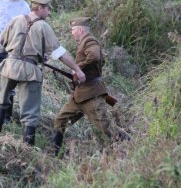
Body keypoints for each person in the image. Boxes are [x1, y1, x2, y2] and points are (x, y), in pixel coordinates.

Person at [0, 0, 86, 146]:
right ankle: (28, 147)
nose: (49, 13)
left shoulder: (15, 20)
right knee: (30, 111)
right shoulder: (43, 26)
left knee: (1, 100)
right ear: (40, 8)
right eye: (48, 9)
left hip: (9, 65)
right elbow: (59, 53)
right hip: (29, 70)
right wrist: (77, 70)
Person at [52, 17, 130, 156]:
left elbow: (95, 57)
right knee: (61, 119)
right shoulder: (84, 42)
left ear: (80, 30)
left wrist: (78, 69)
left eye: (73, 30)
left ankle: (129, 145)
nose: (72, 33)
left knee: (105, 128)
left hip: (91, 95)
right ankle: (53, 154)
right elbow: (101, 60)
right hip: (80, 94)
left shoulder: (89, 41)